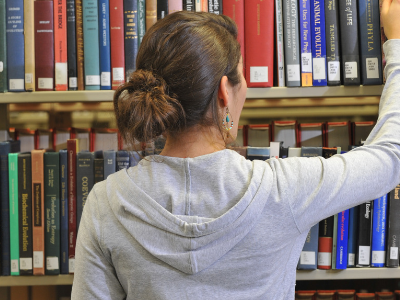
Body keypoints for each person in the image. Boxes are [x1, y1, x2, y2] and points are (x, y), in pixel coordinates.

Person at [71, 1, 400, 299]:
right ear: (224, 93)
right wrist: (396, 44)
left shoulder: (106, 203)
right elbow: (390, 156)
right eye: (242, 78)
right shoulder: (285, 188)